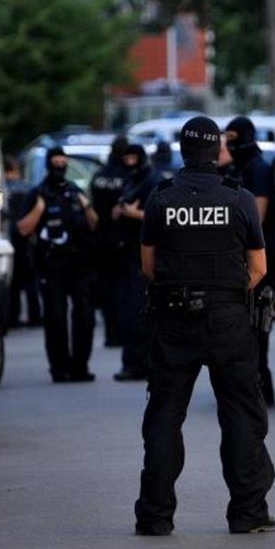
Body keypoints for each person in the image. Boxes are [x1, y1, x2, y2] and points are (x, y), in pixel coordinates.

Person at [134, 116, 275, 536]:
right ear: (217, 152)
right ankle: (248, 511)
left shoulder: (160, 198)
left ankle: (155, 516)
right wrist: (225, 293)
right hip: (229, 321)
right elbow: (259, 268)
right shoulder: (240, 198)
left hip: (174, 320)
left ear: (182, 151)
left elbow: (148, 267)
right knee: (241, 417)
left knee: (164, 417)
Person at [16, 147, 99, 382]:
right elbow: (23, 229)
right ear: (49, 165)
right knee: (56, 317)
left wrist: (87, 206)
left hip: (79, 264)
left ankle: (80, 366)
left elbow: (94, 224)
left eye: (64, 162)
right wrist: (39, 209)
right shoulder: (37, 194)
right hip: (51, 265)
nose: (60, 167)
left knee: (84, 316)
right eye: (56, 162)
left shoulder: (75, 192)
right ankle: (59, 367)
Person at [221, 116, 275, 405]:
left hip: (255, 258)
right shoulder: (237, 167)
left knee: (257, 328)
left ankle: (260, 388)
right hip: (236, 258)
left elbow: (257, 217)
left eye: (231, 137)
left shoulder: (258, 168)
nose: (226, 142)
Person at [113, 144, 161, 381]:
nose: (130, 162)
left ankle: (140, 363)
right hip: (129, 254)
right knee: (131, 312)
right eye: (127, 157)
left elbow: (159, 215)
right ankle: (136, 363)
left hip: (145, 257)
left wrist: (134, 214)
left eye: (134, 157)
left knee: (139, 312)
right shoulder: (132, 180)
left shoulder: (153, 181)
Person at [90, 135, 129, 347]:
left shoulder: (98, 176)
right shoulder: (127, 176)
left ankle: (111, 334)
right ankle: (122, 332)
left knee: (106, 287)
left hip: (100, 238)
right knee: (123, 288)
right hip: (121, 238)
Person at [4, 156, 42, 328]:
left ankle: (13, 318)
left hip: (7, 237)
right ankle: (35, 315)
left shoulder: (2, 190)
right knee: (30, 280)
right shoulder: (28, 188)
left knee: (13, 282)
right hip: (26, 237)